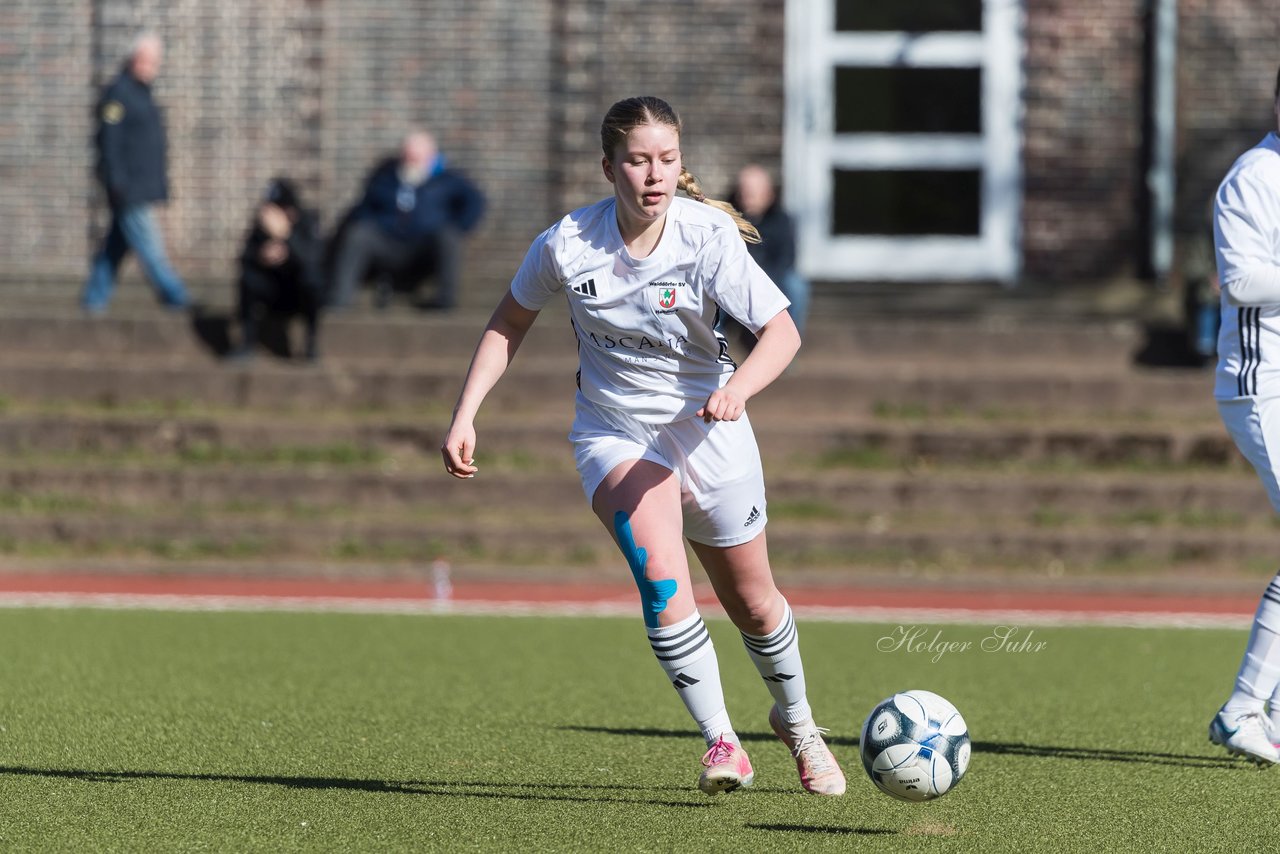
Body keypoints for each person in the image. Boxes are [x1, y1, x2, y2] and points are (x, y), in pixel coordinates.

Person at [441, 96, 845, 797]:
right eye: (637, 161)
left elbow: (782, 332)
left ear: (680, 163)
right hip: (614, 432)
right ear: (609, 167)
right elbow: (508, 322)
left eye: (667, 160)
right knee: (661, 577)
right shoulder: (567, 244)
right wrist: (465, 412)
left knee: (752, 603)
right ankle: (723, 742)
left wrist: (739, 389)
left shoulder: (707, 238)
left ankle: (800, 724)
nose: (654, 176)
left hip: (711, 432)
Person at [1206, 65, 1280, 766]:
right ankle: (1243, 711)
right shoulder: (1254, 176)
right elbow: (1241, 280)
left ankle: (1271, 713)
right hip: (1262, 387)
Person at [82, 32, 191, 315]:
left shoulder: (141, 92)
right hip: (129, 188)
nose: (153, 66)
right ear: (135, 59)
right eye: (149, 60)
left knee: (115, 248)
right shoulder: (119, 94)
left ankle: (93, 300)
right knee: (151, 248)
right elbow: (109, 140)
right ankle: (178, 298)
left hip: (141, 184)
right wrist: (116, 180)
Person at [327, 130, 486, 311]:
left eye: (417, 158)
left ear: (431, 156)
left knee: (449, 237)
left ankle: (445, 301)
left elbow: (475, 204)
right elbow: (365, 205)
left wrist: (459, 227)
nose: (411, 163)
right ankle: (340, 299)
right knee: (359, 234)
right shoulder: (385, 176)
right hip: (387, 241)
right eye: (408, 157)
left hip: (424, 246)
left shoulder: (449, 180)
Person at [228, 178, 325, 362]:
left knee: (313, 281)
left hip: (297, 295)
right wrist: (261, 256)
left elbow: (313, 261)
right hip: (271, 294)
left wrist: (286, 237)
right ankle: (247, 344)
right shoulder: (261, 227)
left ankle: (311, 344)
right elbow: (244, 259)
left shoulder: (308, 221)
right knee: (248, 279)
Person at [731, 164, 809, 338]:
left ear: (768, 193)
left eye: (753, 191)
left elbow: (786, 258)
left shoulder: (782, 221)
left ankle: (787, 341)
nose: (747, 195)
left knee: (796, 286)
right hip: (734, 280)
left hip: (771, 279)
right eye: (744, 190)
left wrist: (761, 282)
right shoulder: (728, 219)